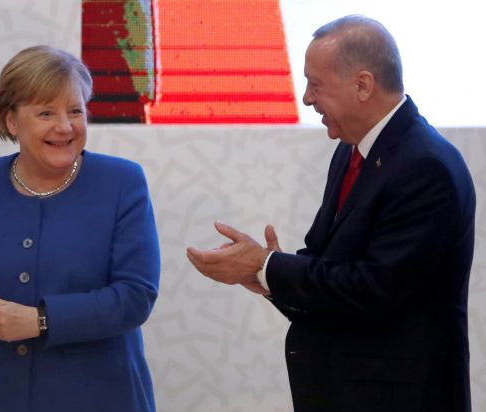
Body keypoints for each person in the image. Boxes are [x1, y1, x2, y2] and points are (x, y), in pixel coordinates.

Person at [187, 15, 475, 412]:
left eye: (316, 84)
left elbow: (371, 290)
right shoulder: (351, 149)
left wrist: (269, 266)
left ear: (362, 85)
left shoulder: (426, 167)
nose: (306, 98)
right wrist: (264, 273)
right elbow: (330, 265)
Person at [0, 45, 160, 412]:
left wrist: (41, 321)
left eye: (75, 111)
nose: (65, 127)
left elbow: (135, 296)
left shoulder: (122, 182)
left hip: (98, 394)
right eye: (46, 112)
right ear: (12, 121)